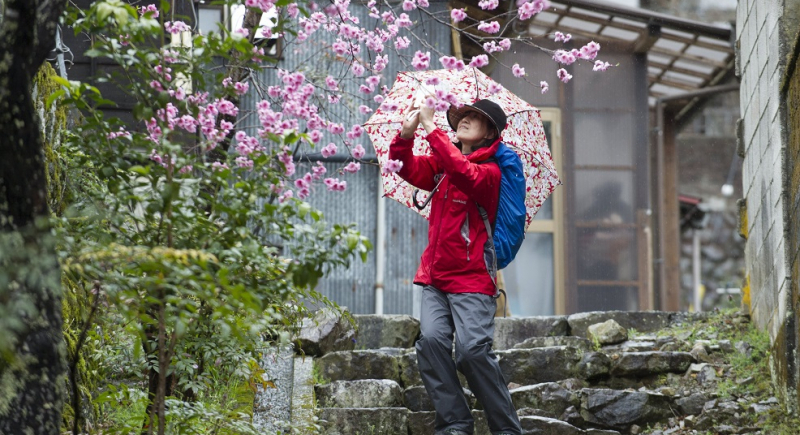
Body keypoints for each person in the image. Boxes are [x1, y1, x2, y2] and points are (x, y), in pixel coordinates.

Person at [388, 98, 522, 435]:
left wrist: (432, 128)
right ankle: (455, 424)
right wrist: (405, 136)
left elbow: (465, 174)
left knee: (470, 351)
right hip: (435, 278)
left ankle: (506, 429)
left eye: (475, 118)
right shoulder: (443, 162)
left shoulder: (489, 172)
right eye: (463, 115)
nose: (464, 119)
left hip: (473, 278)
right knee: (431, 342)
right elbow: (405, 168)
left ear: (490, 132)